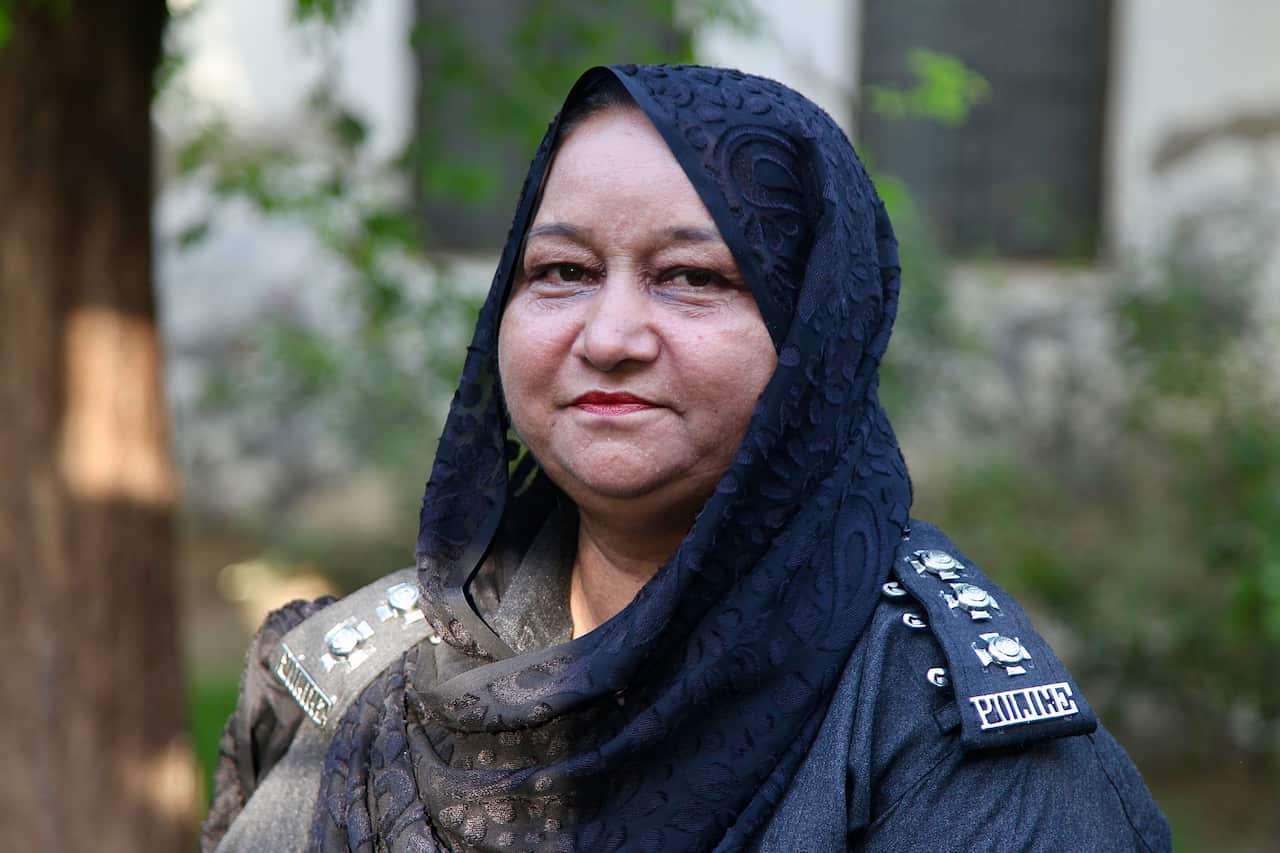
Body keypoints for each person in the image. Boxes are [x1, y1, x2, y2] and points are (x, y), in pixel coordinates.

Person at [201, 64, 1171, 853]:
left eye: (692, 277)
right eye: (562, 272)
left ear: (815, 334)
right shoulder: (352, 670)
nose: (610, 333)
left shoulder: (953, 748)